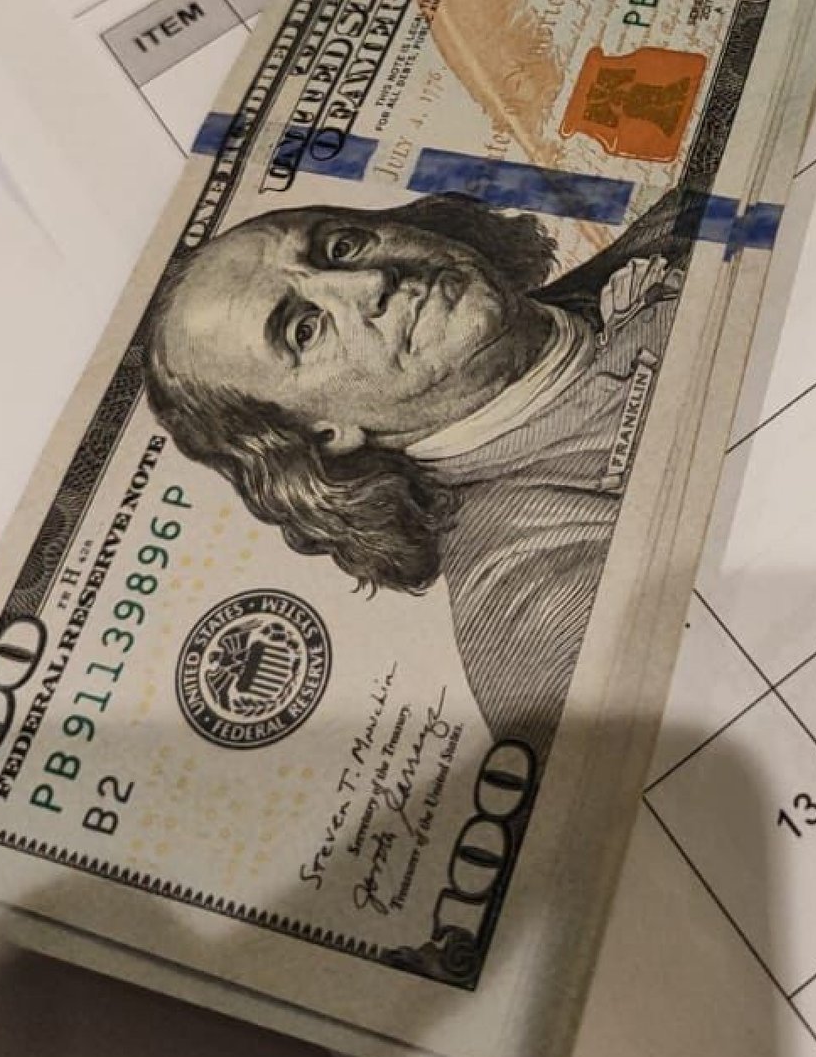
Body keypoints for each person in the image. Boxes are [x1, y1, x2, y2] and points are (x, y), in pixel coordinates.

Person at [142, 192, 687, 749]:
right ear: (325, 434)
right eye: (305, 330)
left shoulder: (679, 223)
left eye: (341, 246)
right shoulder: (533, 596)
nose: (371, 282)